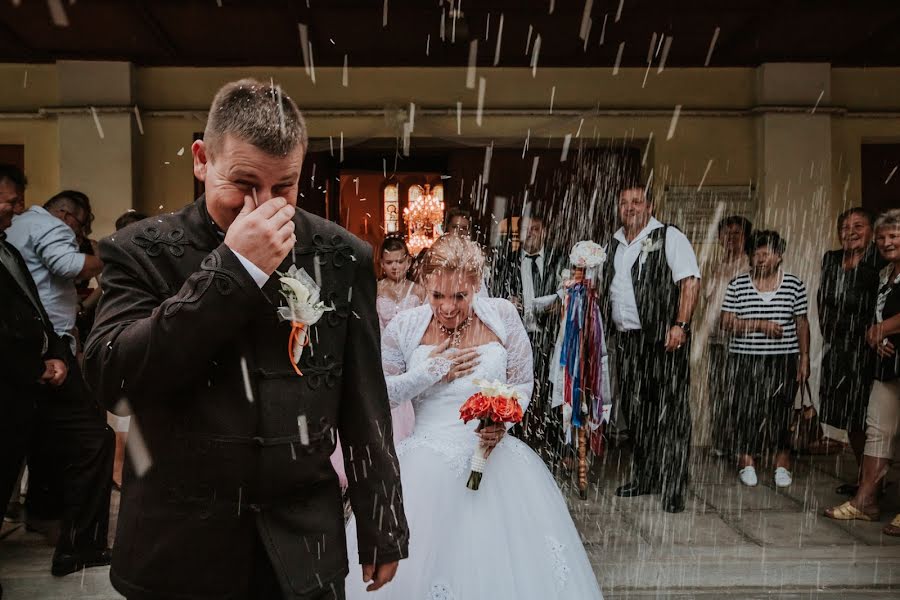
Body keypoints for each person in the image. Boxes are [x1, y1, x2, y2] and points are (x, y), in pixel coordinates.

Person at [84, 79, 408, 599]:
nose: (261, 205)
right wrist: (232, 270)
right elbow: (111, 378)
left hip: (304, 544)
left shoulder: (342, 255)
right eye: (242, 182)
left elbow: (364, 401)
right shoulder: (140, 250)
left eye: (284, 186)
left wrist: (382, 519)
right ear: (201, 160)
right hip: (179, 546)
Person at [344, 234, 603, 599]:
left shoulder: (502, 317)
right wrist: (432, 371)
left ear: (476, 285)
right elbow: (381, 393)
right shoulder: (404, 327)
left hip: (498, 463)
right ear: (425, 284)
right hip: (424, 466)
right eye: (438, 296)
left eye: (460, 297)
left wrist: (503, 421)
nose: (448, 308)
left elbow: (522, 382)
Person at [4, 185, 115, 577]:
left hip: (36, 351)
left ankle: (44, 515)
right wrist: (110, 253)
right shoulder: (49, 226)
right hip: (42, 351)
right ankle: (79, 543)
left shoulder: (14, 234)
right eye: (80, 226)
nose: (79, 233)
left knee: (36, 440)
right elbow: (69, 265)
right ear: (68, 216)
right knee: (92, 437)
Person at [604, 185, 700, 513]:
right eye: (624, 202)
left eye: (636, 202)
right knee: (638, 413)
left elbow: (689, 281)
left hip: (663, 341)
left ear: (650, 206)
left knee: (670, 414)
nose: (630, 208)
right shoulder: (613, 242)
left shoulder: (669, 236)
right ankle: (646, 475)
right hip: (628, 342)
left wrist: (681, 325)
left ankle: (673, 485)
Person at [0, 167, 70, 596]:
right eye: (9, 199)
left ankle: (48, 518)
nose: (18, 208)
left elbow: (34, 309)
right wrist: (34, 368)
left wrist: (56, 353)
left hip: (26, 384)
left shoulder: (8, 249)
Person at [825, 209, 900, 536]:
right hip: (881, 359)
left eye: (893, 236)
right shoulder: (886, 275)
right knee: (875, 428)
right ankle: (866, 498)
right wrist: (877, 334)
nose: (887, 242)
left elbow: (880, 317)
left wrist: (879, 330)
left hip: (883, 354)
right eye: (883, 237)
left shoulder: (879, 268)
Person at [720, 230, 810, 488]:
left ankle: (782, 463)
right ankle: (747, 461)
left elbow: (802, 323)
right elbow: (726, 322)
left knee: (781, 411)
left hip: (783, 359)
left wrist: (804, 358)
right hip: (745, 358)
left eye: (766, 253)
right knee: (745, 410)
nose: (760, 259)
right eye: (755, 254)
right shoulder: (737, 284)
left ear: (779, 256)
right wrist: (759, 324)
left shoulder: (793, 284)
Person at [817, 208, 885, 494]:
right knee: (849, 415)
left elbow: (884, 301)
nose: (850, 231)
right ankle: (864, 478)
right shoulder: (831, 259)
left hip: (870, 348)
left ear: (872, 231)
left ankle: (874, 483)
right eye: (844, 226)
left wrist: (878, 332)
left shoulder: (880, 261)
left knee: (873, 416)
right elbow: (823, 298)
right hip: (840, 347)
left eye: (858, 225)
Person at [696, 215, 751, 455]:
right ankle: (721, 442)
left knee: (738, 391)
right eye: (726, 234)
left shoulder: (749, 265)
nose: (731, 238)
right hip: (716, 337)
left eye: (737, 233)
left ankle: (741, 445)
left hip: (741, 338)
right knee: (717, 391)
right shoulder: (717, 266)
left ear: (746, 237)